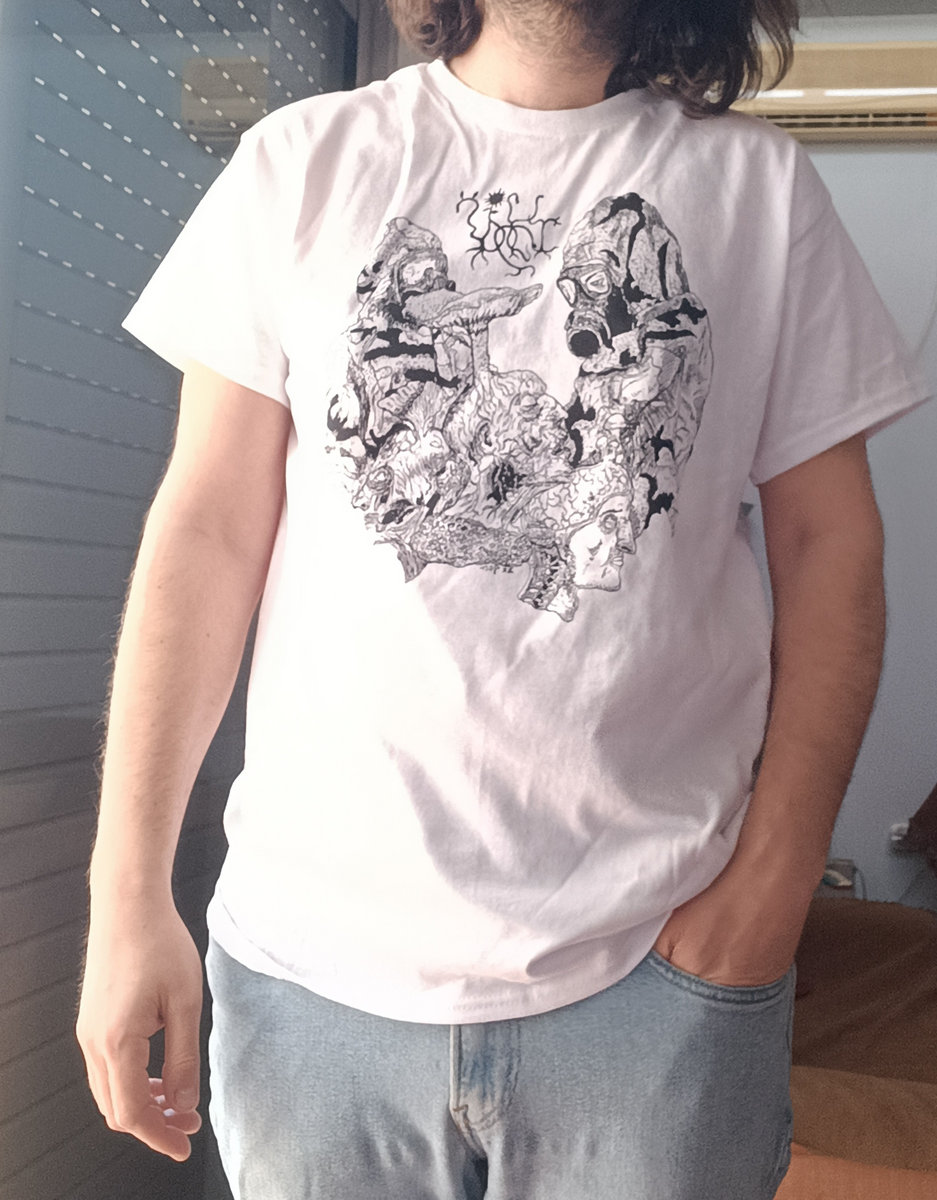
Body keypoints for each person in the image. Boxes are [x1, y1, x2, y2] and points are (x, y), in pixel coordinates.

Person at [75, 0, 929, 1195]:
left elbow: (831, 548)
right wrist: (127, 900)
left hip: (654, 974)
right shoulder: (302, 160)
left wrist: (773, 888)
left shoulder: (760, 190)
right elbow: (206, 533)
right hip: (308, 980)